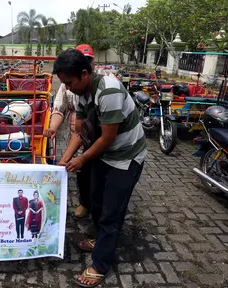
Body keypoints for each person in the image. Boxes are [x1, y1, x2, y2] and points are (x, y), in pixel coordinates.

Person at [53, 49, 147, 287]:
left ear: (85, 74)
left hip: (126, 157)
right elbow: (79, 132)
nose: (67, 88)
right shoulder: (81, 92)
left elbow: (106, 139)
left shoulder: (109, 90)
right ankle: (101, 239)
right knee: (95, 200)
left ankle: (100, 264)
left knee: (111, 212)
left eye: (68, 82)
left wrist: (82, 160)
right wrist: (65, 159)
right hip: (105, 154)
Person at [43, 44, 116, 219]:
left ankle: (102, 209)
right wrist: (66, 155)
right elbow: (60, 109)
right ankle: (86, 202)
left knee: (100, 175)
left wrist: (80, 159)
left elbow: (108, 136)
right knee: (84, 174)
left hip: (106, 140)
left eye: (89, 60)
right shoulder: (73, 87)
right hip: (82, 138)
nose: (88, 63)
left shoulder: (107, 82)